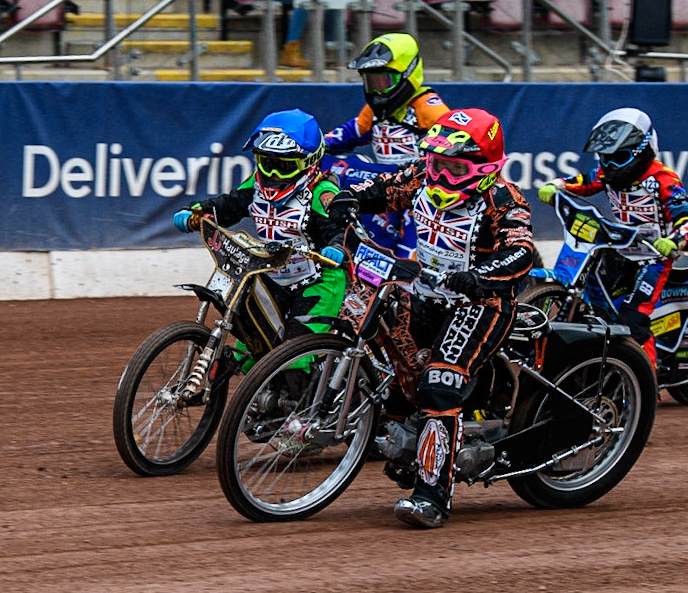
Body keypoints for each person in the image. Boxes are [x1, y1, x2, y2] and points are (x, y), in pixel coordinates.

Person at [328, 108, 534, 528]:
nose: (441, 172)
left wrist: (481, 276)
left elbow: (523, 249)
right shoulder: (422, 177)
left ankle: (432, 496)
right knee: (389, 360)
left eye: (454, 166)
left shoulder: (503, 199)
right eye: (436, 162)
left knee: (440, 382)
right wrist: (348, 199)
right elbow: (380, 187)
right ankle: (406, 439)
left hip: (481, 305)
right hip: (425, 295)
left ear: (486, 167)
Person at [173, 108, 347, 372]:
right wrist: (197, 212)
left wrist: (336, 247)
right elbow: (229, 205)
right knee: (251, 351)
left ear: (308, 162)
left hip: (318, 281)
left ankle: (308, 406)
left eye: (283, 165)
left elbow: (340, 230)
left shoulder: (322, 192)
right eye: (268, 162)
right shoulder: (254, 186)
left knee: (294, 357)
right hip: (272, 274)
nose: (274, 175)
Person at [537, 107, 688, 367]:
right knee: (595, 305)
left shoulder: (663, 179)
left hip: (654, 257)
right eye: (605, 157)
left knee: (632, 319)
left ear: (643, 150)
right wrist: (558, 185)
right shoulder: (607, 174)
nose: (610, 165)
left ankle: (645, 384)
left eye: (619, 157)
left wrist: (676, 240)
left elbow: (687, 217)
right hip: (619, 247)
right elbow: (587, 181)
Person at [324, 32, 450, 256]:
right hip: (385, 186)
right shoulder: (374, 111)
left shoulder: (428, 108)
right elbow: (349, 133)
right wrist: (316, 145)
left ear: (408, 74)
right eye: (371, 82)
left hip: (419, 187)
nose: (376, 90)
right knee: (339, 165)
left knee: (412, 255)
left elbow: (453, 150)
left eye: (384, 81)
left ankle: (410, 272)